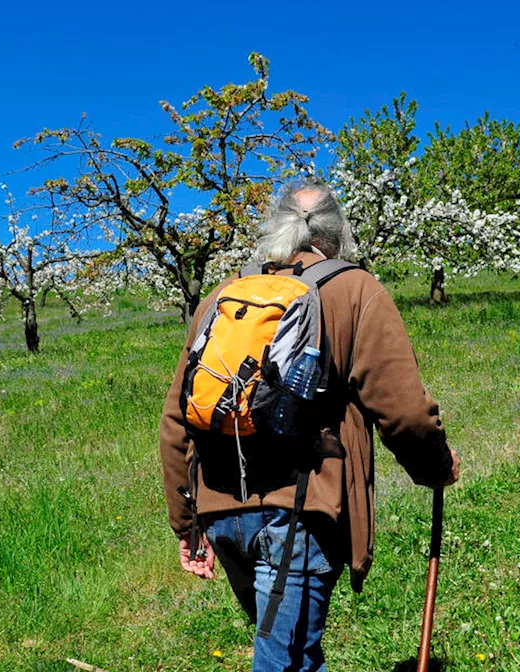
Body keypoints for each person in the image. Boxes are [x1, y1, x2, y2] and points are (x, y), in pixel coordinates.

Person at [159, 177, 460, 672]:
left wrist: (187, 524)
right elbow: (403, 411)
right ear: (337, 233)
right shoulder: (355, 289)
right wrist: (434, 466)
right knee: (286, 662)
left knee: (290, 652)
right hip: (298, 511)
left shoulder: (223, 295)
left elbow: (177, 419)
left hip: (221, 513)